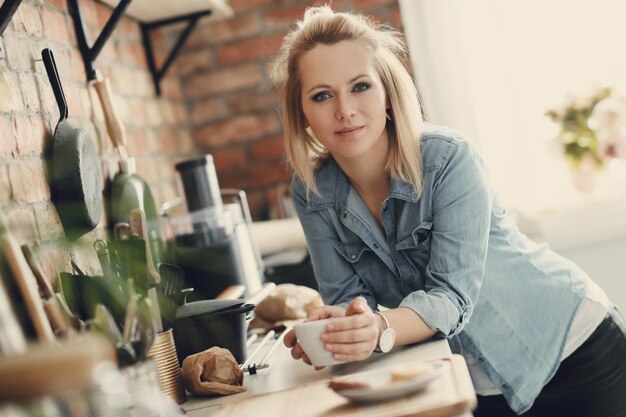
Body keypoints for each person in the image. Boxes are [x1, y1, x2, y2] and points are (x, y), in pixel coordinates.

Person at [271, 5, 626, 417]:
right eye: (322, 95)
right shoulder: (311, 189)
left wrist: (378, 329)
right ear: (302, 113)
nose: (345, 109)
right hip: (469, 381)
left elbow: (451, 296)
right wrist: (339, 333)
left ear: (386, 92)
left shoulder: (448, 159)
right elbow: (350, 300)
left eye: (361, 87)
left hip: (570, 349)